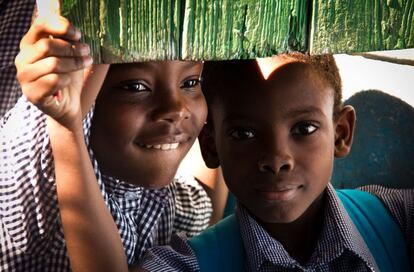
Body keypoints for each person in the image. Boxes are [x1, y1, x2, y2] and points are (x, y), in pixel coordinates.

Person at [135, 55, 414, 271]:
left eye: (304, 129)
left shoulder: (400, 219)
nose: (276, 159)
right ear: (210, 146)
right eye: (244, 134)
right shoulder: (186, 265)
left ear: (341, 133)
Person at [0, 11, 213, 271]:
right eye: (136, 87)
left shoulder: (159, 199)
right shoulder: (41, 180)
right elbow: (60, 102)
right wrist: (64, 118)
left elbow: (207, 205)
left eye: (190, 82)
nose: (176, 109)